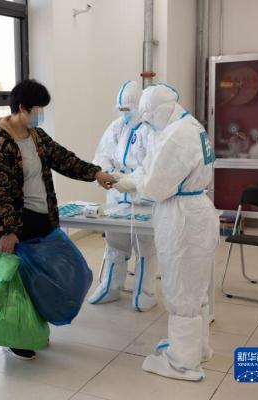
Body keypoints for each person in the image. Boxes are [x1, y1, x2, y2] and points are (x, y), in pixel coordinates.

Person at [0, 79, 115, 360]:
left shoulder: (37, 137)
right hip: (17, 224)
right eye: (38, 109)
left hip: (42, 219)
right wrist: (8, 231)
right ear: (22, 108)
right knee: (19, 284)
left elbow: (64, 159)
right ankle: (16, 336)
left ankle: (33, 328)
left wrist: (95, 173)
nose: (41, 115)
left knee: (41, 279)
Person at [114, 84, 219, 381]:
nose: (146, 124)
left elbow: (156, 185)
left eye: (148, 118)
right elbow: (153, 165)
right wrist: (134, 177)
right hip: (195, 211)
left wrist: (131, 183)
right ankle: (196, 348)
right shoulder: (188, 125)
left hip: (182, 217)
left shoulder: (177, 135)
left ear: (158, 111)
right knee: (195, 288)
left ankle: (182, 363)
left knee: (181, 290)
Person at [87, 81, 158, 311]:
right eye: (122, 110)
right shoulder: (117, 126)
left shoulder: (151, 129)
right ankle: (111, 287)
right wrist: (107, 173)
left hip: (143, 199)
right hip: (117, 198)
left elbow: (153, 165)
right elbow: (102, 154)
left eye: (128, 109)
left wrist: (132, 180)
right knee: (115, 244)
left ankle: (145, 293)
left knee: (145, 248)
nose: (125, 114)